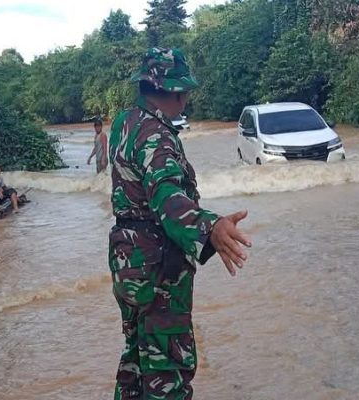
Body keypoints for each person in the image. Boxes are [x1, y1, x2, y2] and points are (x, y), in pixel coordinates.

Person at [107, 48, 252, 399]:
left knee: (137, 360)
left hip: (129, 262)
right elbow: (166, 195)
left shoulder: (124, 123)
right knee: (167, 369)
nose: (186, 100)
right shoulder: (156, 134)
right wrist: (210, 227)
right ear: (174, 91)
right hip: (158, 268)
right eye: (184, 92)